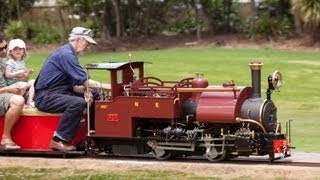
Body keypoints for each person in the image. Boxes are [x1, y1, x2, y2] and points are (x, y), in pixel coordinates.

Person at [34, 27, 110, 152]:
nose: (88, 47)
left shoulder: (68, 53)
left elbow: (75, 86)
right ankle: (58, 140)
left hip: (60, 92)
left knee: (95, 95)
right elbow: (85, 81)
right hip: (46, 97)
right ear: (79, 40)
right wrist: (111, 87)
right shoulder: (66, 55)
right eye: (87, 43)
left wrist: (87, 91)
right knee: (77, 102)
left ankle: (94, 135)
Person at [0, 32, 26, 150]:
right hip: (3, 93)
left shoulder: (4, 61)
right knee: (18, 100)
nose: (5, 51)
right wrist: (7, 89)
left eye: (5, 47)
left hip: (7, 93)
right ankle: (5, 138)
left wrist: (20, 77)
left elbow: (10, 76)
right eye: (1, 49)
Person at [5, 38, 35, 107]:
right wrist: (17, 73)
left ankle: (29, 100)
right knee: (24, 84)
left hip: (21, 82)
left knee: (34, 81)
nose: (18, 51)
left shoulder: (22, 62)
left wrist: (27, 73)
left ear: (23, 51)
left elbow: (23, 75)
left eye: (20, 49)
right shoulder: (10, 62)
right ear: (11, 51)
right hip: (12, 85)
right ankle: (21, 101)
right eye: (15, 49)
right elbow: (7, 75)